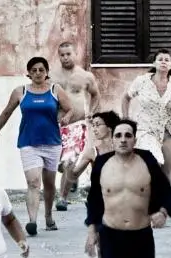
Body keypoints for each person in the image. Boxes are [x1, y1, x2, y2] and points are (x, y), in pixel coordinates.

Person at [85, 118, 171, 258]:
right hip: (111, 234)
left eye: (128, 135)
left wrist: (163, 212)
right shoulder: (102, 163)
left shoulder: (147, 160)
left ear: (134, 139)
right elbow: (94, 200)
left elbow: (165, 190)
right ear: (112, 139)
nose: (123, 139)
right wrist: (91, 231)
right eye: (118, 135)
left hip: (141, 235)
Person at [0, 56, 67, 235]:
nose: (38, 73)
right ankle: (32, 221)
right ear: (29, 74)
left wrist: (65, 117)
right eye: (34, 70)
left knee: (48, 183)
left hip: (52, 143)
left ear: (47, 72)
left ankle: (48, 216)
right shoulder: (20, 92)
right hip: (28, 143)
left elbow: (69, 108)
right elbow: (6, 112)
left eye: (41, 70)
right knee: (33, 182)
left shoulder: (56, 90)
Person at [120, 50, 171, 181]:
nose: (163, 62)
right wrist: (126, 120)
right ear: (154, 63)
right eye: (160, 59)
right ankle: (146, 196)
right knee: (153, 161)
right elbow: (126, 98)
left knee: (166, 172)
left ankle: (164, 200)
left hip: (168, 132)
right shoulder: (142, 81)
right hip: (146, 129)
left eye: (167, 60)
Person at [52, 41, 100, 210]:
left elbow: (95, 95)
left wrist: (91, 112)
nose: (65, 58)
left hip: (77, 124)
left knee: (69, 162)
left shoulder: (85, 76)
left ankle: (62, 198)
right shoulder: (51, 75)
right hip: (56, 125)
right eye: (62, 55)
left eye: (68, 54)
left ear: (75, 54)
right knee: (58, 164)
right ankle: (72, 179)